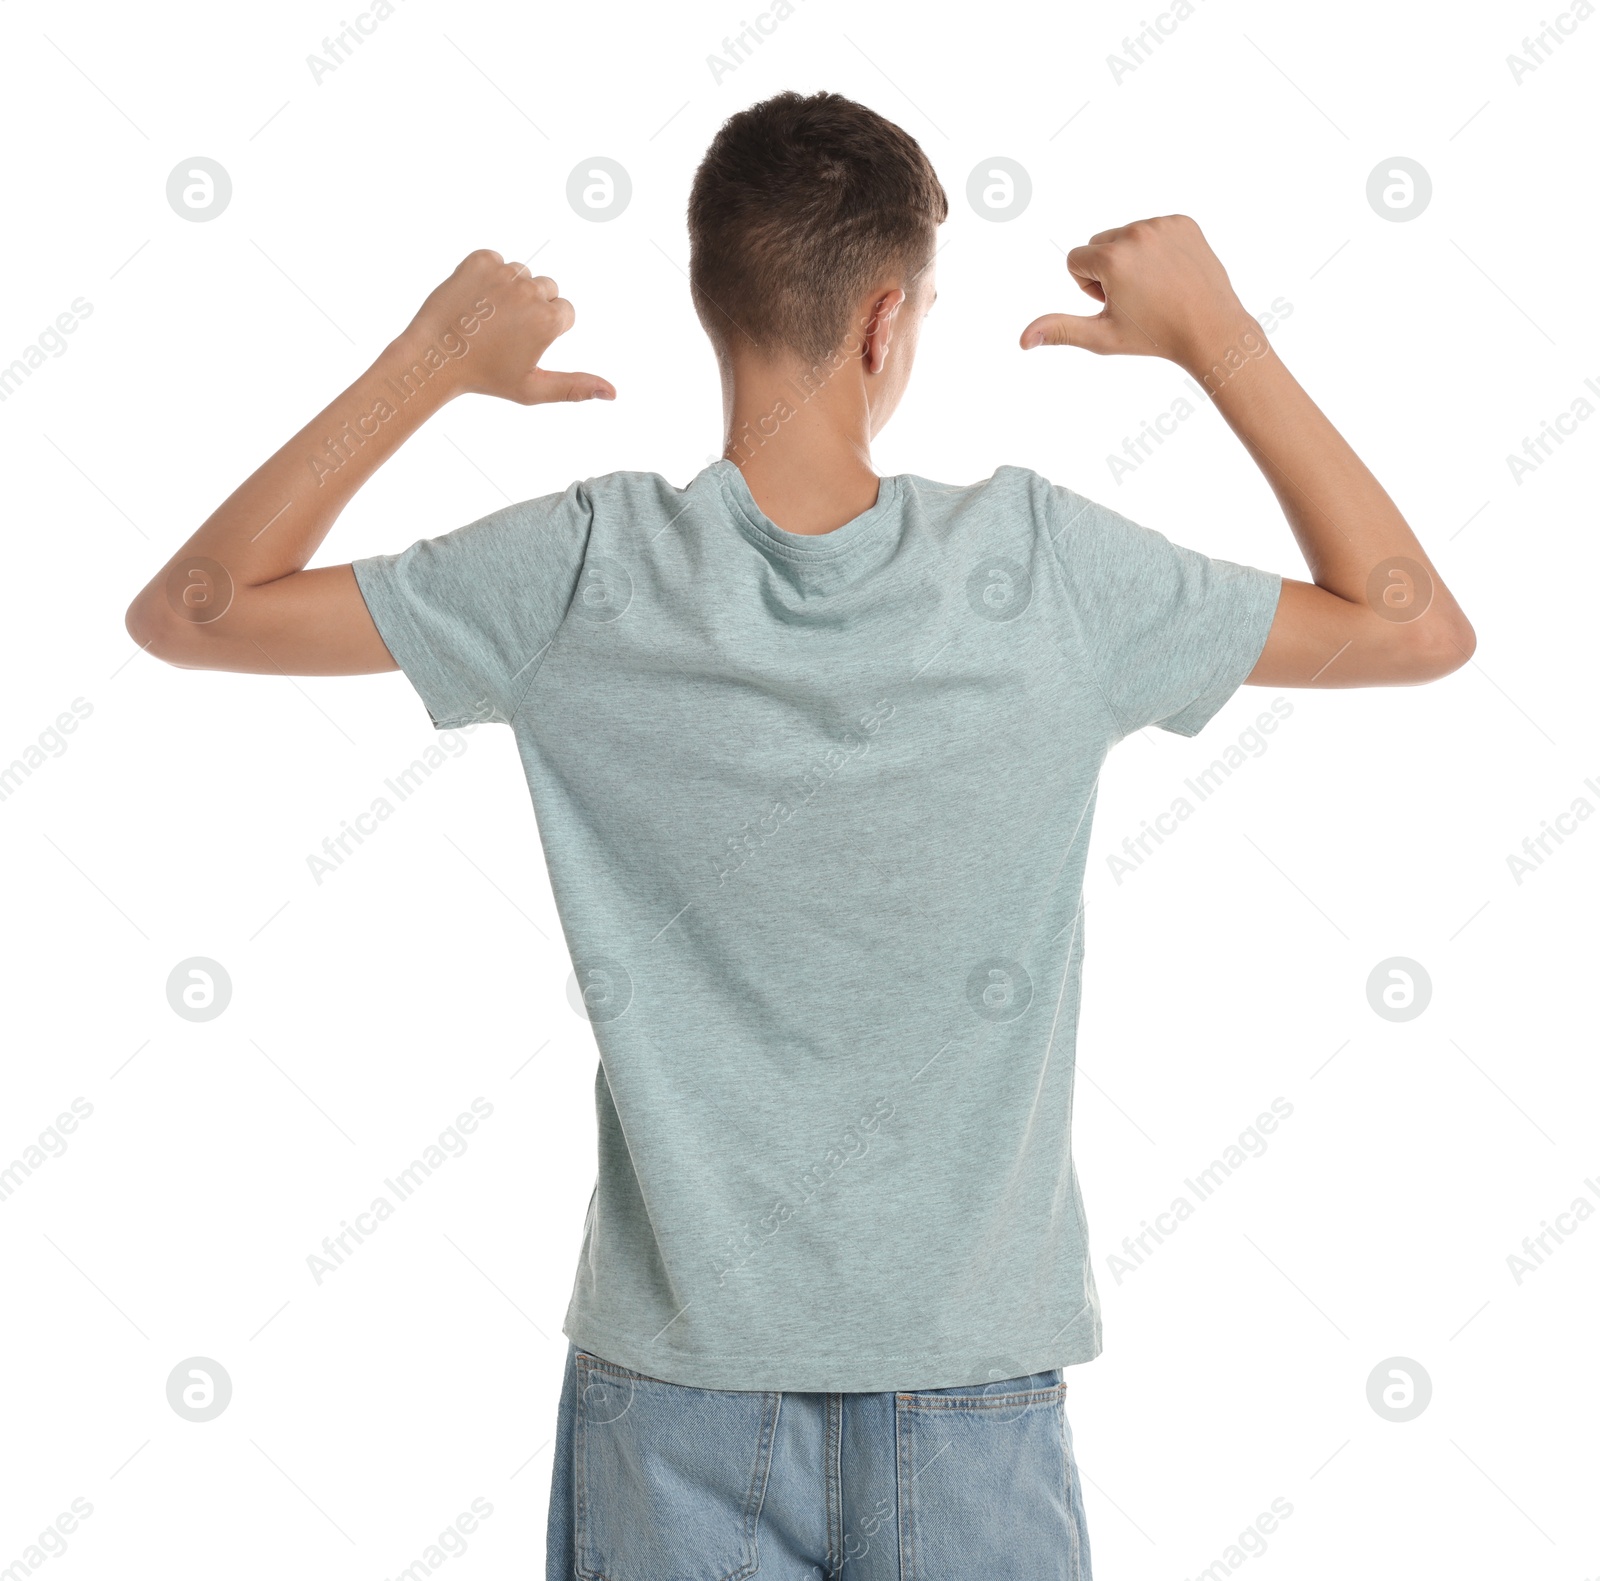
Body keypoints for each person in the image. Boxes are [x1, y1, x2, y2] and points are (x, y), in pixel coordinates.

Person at [125, 89, 1473, 1581]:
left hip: (672, 1404)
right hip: (972, 1394)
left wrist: (429, 364)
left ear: (714, 303)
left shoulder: (580, 574)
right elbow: (1411, 628)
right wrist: (1218, 334)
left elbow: (193, 612)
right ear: (887, 321)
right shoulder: (1048, 573)